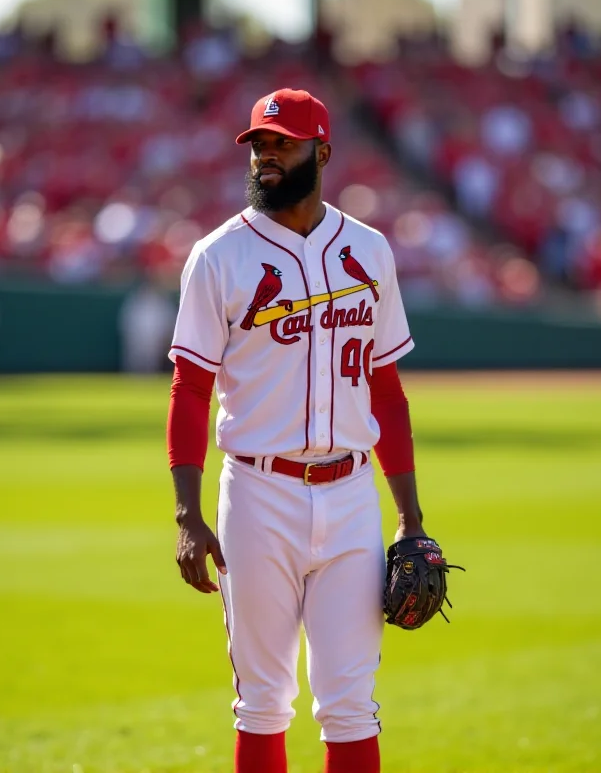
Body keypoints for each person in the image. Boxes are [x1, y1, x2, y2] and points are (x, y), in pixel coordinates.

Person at [167, 88, 435, 773]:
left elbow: (386, 391)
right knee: (262, 702)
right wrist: (187, 512)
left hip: (350, 498)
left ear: (322, 149)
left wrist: (408, 518)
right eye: (259, 144)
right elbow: (190, 388)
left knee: (350, 703)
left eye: (282, 142)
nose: (267, 156)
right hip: (258, 496)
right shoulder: (218, 256)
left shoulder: (369, 250)